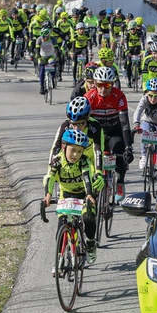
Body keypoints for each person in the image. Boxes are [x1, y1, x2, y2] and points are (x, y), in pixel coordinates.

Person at [43, 129, 103, 265]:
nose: (75, 154)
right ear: (64, 147)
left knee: (88, 217)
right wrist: (48, 194)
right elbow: (50, 177)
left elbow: (87, 177)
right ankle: (59, 258)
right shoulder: (57, 160)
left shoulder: (85, 162)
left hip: (84, 193)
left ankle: (91, 244)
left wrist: (89, 195)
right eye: (72, 150)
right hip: (66, 194)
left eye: (79, 151)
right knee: (61, 226)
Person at [85, 66, 134, 197]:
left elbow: (125, 124)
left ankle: (120, 182)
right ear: (94, 83)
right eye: (100, 84)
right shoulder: (89, 98)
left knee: (120, 156)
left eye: (107, 85)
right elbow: (83, 123)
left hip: (114, 132)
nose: (103, 89)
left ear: (112, 84)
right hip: (96, 133)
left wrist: (128, 147)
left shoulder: (119, 96)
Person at [132, 78, 157, 191]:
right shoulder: (144, 99)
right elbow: (138, 111)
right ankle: (144, 155)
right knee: (145, 135)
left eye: (156, 96)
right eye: (150, 95)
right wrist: (136, 125)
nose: (153, 99)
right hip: (147, 121)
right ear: (146, 93)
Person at [49, 96, 104, 169]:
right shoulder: (65, 126)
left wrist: (98, 171)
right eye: (74, 124)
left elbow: (98, 151)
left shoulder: (95, 126)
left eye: (81, 124)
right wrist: (51, 169)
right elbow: (55, 148)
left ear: (87, 119)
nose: (76, 128)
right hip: (70, 160)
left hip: (90, 160)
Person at [34, 28, 59, 96]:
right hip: (42, 56)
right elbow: (37, 51)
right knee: (42, 70)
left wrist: (57, 58)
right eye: (42, 37)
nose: (43, 38)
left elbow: (56, 50)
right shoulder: (39, 40)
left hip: (51, 56)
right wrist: (39, 59)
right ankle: (42, 86)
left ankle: (53, 78)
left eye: (44, 37)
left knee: (52, 65)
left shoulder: (53, 39)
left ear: (48, 36)